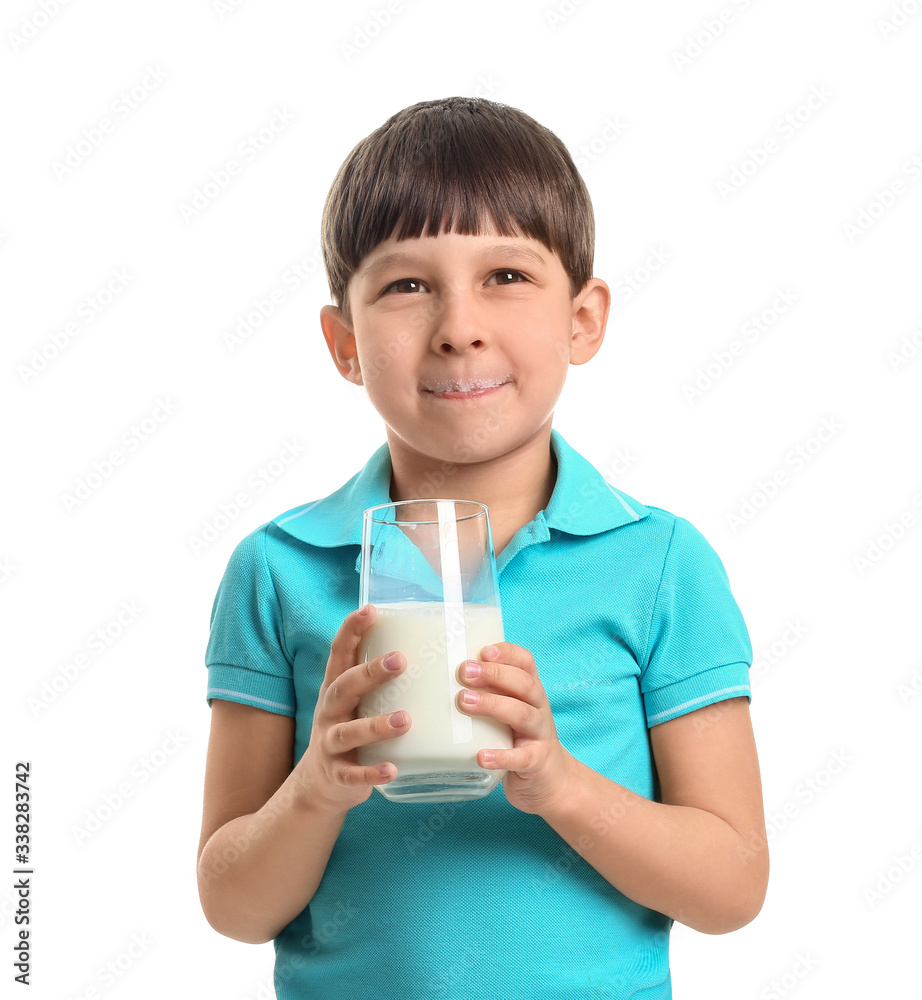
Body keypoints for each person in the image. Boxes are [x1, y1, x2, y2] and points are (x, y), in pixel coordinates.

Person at [196, 96, 768, 999]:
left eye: (505, 275)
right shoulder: (278, 568)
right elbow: (232, 905)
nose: (459, 324)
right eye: (406, 285)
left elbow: (732, 887)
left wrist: (558, 782)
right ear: (344, 343)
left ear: (582, 320)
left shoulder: (659, 564)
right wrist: (316, 787)